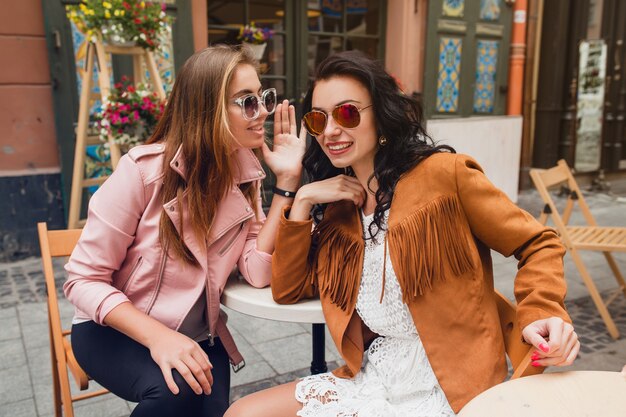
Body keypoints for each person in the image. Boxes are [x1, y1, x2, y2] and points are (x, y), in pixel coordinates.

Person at [225, 50, 580, 417]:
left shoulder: (445, 175)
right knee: (242, 412)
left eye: (346, 113)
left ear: (380, 113)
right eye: (318, 119)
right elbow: (287, 289)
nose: (330, 131)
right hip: (376, 376)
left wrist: (542, 310)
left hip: (449, 386)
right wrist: (300, 197)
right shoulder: (339, 208)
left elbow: (538, 242)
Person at [63, 44, 305, 417]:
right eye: (247, 102)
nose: (263, 114)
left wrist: (287, 183)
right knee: (174, 392)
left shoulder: (246, 176)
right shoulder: (143, 172)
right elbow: (82, 281)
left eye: (263, 98)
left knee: (202, 400)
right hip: (114, 329)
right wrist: (160, 338)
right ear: (207, 109)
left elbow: (257, 271)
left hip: (198, 338)